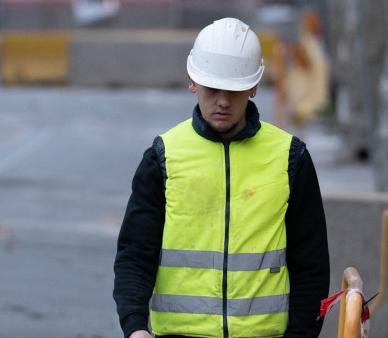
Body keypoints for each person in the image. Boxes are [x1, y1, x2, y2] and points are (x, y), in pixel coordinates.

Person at [113, 17, 329, 338]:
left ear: (254, 86)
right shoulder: (162, 158)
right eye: (212, 89)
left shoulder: (290, 158)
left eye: (235, 89)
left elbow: (310, 266)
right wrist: (135, 327)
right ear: (192, 81)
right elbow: (135, 253)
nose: (223, 101)